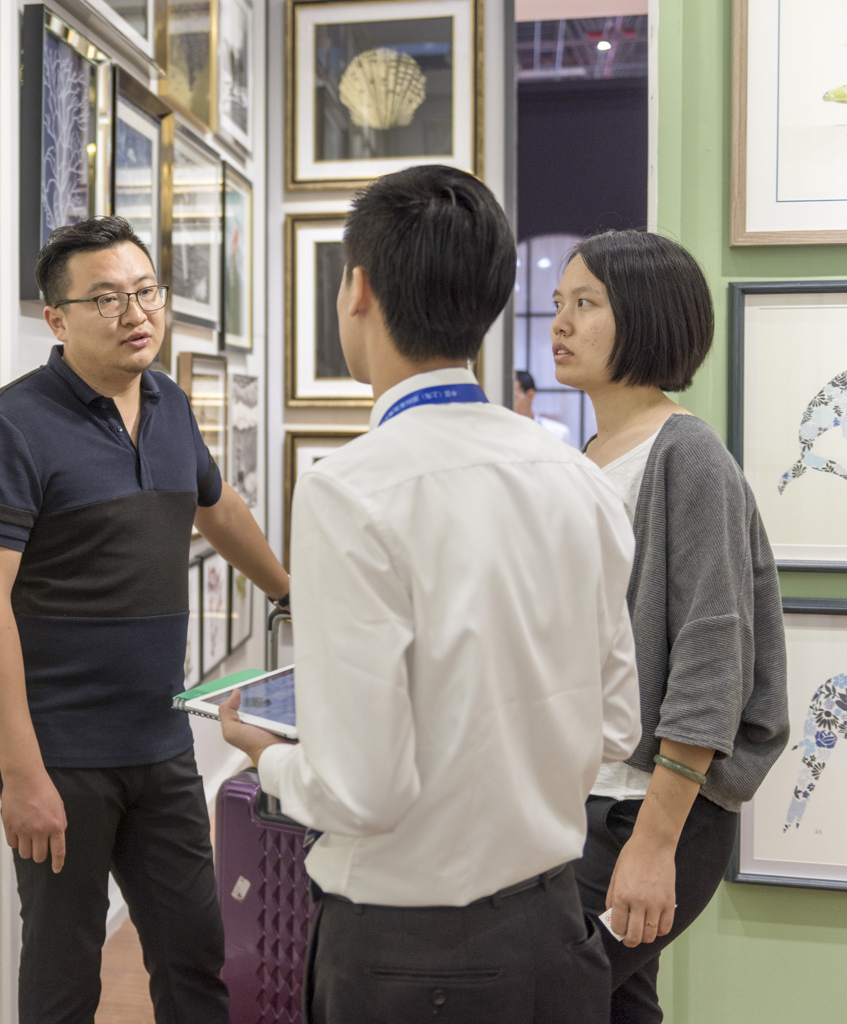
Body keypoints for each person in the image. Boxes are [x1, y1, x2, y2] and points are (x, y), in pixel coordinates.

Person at [218, 164, 642, 1024]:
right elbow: (616, 727)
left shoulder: (349, 489)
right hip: (556, 933)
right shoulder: (577, 476)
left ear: (358, 291)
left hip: (412, 962)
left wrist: (267, 756)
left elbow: (362, 790)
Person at [0, 216, 290, 1024]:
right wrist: (23, 773)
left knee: (195, 953)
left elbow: (216, 506)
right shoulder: (13, 425)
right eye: (106, 299)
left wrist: (290, 590)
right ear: (56, 319)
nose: (135, 313)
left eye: (145, 292)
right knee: (65, 973)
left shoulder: (169, 405)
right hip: (59, 751)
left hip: (159, 738)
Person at [550, 230, 789, 1023]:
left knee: (541, 996)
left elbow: (712, 662)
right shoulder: (588, 455)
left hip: (646, 813)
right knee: (618, 1006)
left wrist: (652, 847)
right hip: (585, 799)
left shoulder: (688, 457)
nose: (561, 323)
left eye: (586, 304)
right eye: (559, 303)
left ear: (646, 317)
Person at [515, 368, 574, 443]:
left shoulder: (558, 433)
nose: (507, 402)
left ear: (530, 395)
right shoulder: (502, 432)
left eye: (513, 397)